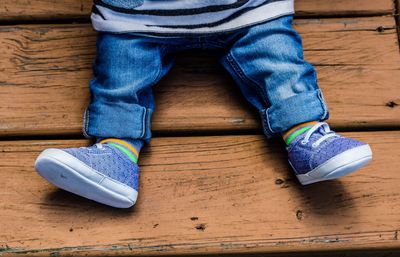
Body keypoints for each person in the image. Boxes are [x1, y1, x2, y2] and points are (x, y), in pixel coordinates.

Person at [34, 0, 372, 208]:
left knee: (279, 63)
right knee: (120, 78)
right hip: (136, 19)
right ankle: (116, 156)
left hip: (248, 12)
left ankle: (307, 136)